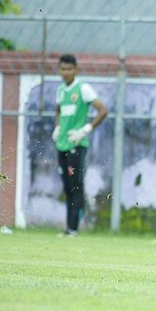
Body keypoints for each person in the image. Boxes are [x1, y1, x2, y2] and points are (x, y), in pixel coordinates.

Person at [52, 54, 108, 237]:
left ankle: (73, 228)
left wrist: (86, 129)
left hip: (77, 143)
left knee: (75, 184)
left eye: (69, 69)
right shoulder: (60, 90)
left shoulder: (83, 88)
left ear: (76, 70)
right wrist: (58, 127)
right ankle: (70, 227)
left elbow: (103, 110)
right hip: (62, 144)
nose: (65, 72)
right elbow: (59, 110)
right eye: (62, 69)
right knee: (67, 185)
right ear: (59, 70)